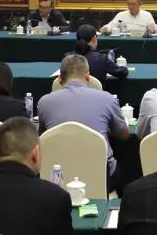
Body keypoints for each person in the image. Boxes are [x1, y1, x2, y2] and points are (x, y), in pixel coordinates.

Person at [36, 54, 129, 193]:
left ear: (59, 79)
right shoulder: (107, 99)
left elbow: (43, 137)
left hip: (56, 180)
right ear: (88, 77)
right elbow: (124, 135)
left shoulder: (44, 102)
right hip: (102, 178)